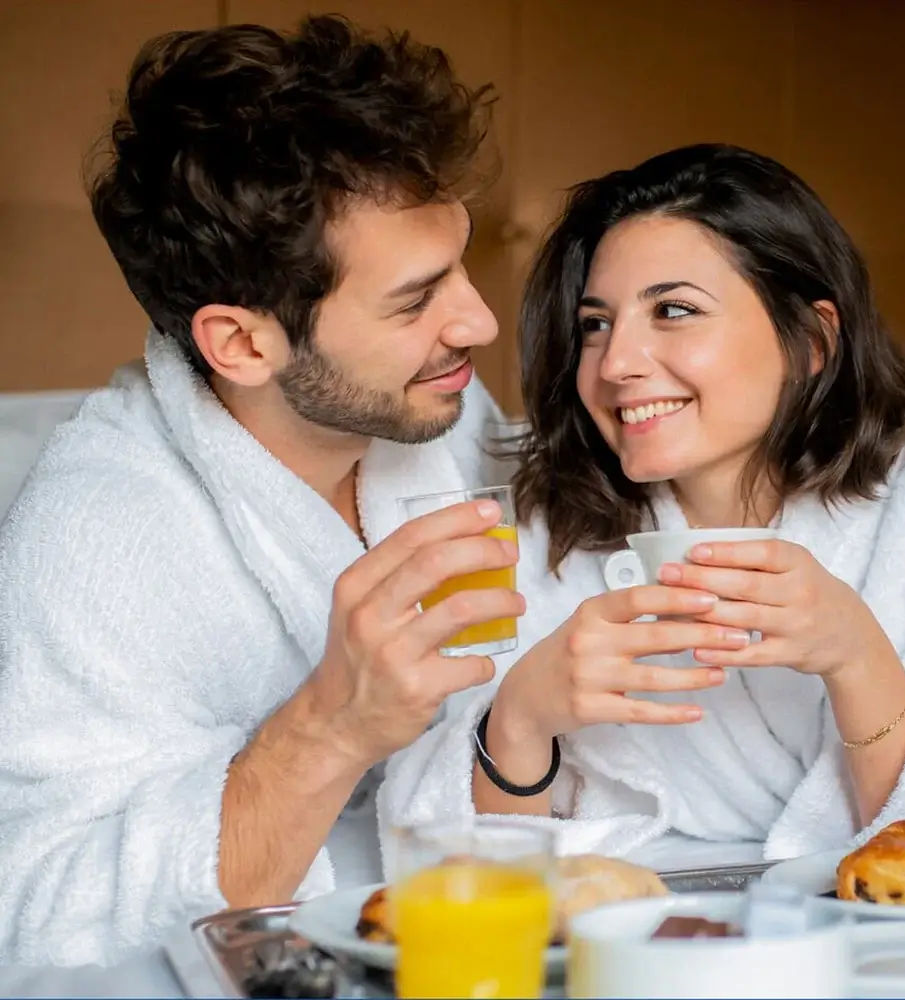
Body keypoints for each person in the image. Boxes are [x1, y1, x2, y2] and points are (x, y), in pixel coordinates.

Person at [0, 15, 530, 967]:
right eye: (415, 299)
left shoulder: (427, 414)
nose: (480, 322)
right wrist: (332, 724)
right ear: (241, 344)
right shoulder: (96, 539)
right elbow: (40, 921)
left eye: (460, 265)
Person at [382, 143, 905, 865]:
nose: (615, 364)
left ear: (810, 340)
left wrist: (857, 656)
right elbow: (456, 864)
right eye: (595, 323)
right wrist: (519, 720)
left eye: (673, 311)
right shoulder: (538, 524)